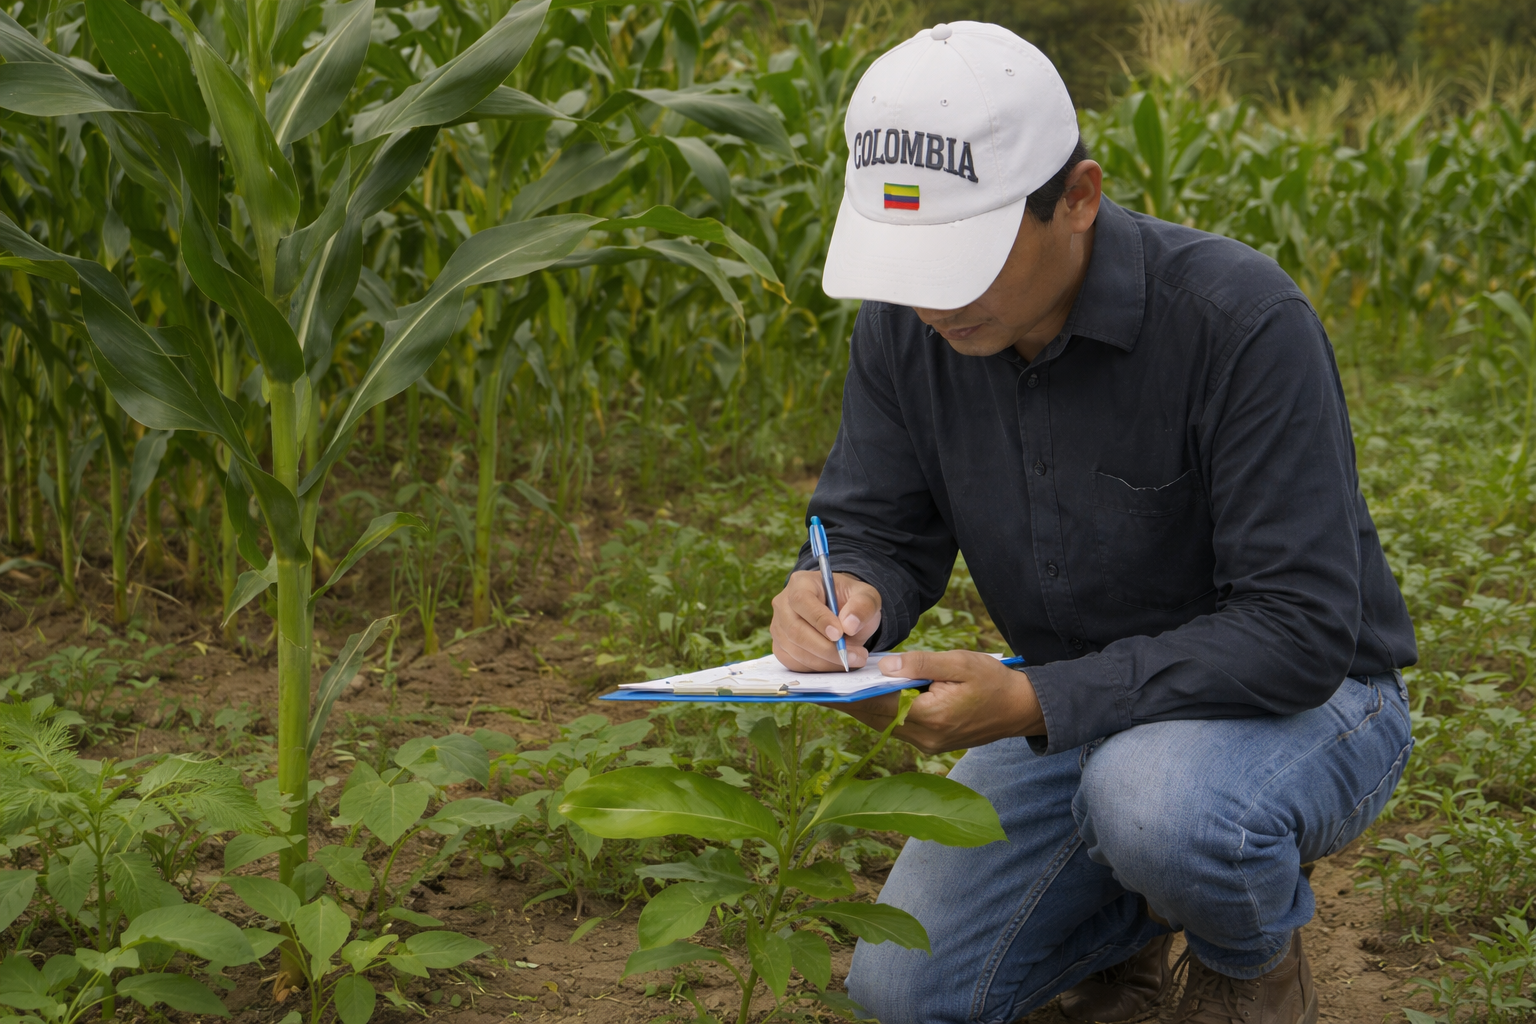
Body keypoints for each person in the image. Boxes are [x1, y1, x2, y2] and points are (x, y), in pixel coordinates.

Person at [768, 21, 1416, 1024]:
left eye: (965, 259)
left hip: (1310, 700)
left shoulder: (1237, 320)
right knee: (902, 991)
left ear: (1079, 199)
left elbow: (1297, 629)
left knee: (1158, 803)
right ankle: (1129, 921)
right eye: (910, 261)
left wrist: (1032, 707)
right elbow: (876, 525)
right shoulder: (908, 325)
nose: (934, 301)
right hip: (1084, 708)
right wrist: (845, 589)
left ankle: (1248, 965)